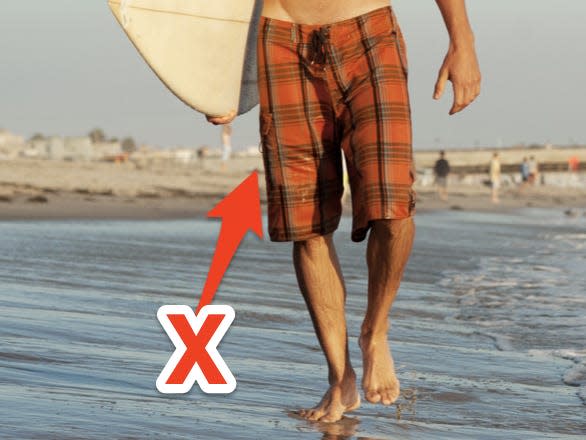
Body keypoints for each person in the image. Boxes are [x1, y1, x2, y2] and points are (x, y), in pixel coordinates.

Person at [208, 0, 481, 423]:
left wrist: (462, 39)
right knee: (307, 226)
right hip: (279, 37)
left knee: (393, 208)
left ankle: (375, 329)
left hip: (367, 32)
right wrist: (211, 79)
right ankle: (340, 378)